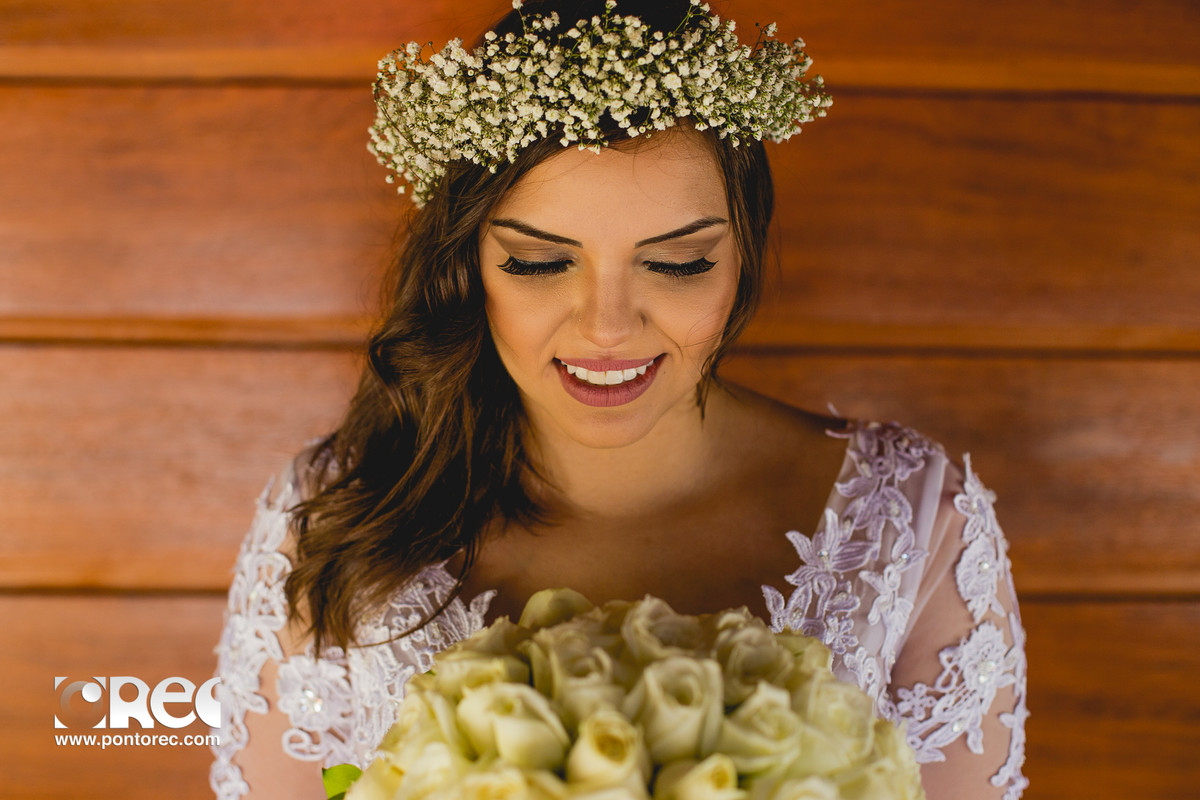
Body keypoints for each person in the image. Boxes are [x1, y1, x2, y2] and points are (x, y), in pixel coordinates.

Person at [209, 1, 1028, 798]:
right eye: (538, 263)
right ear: (467, 266)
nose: (607, 328)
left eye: (676, 264)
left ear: (744, 253)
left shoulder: (914, 521)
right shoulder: (326, 517)